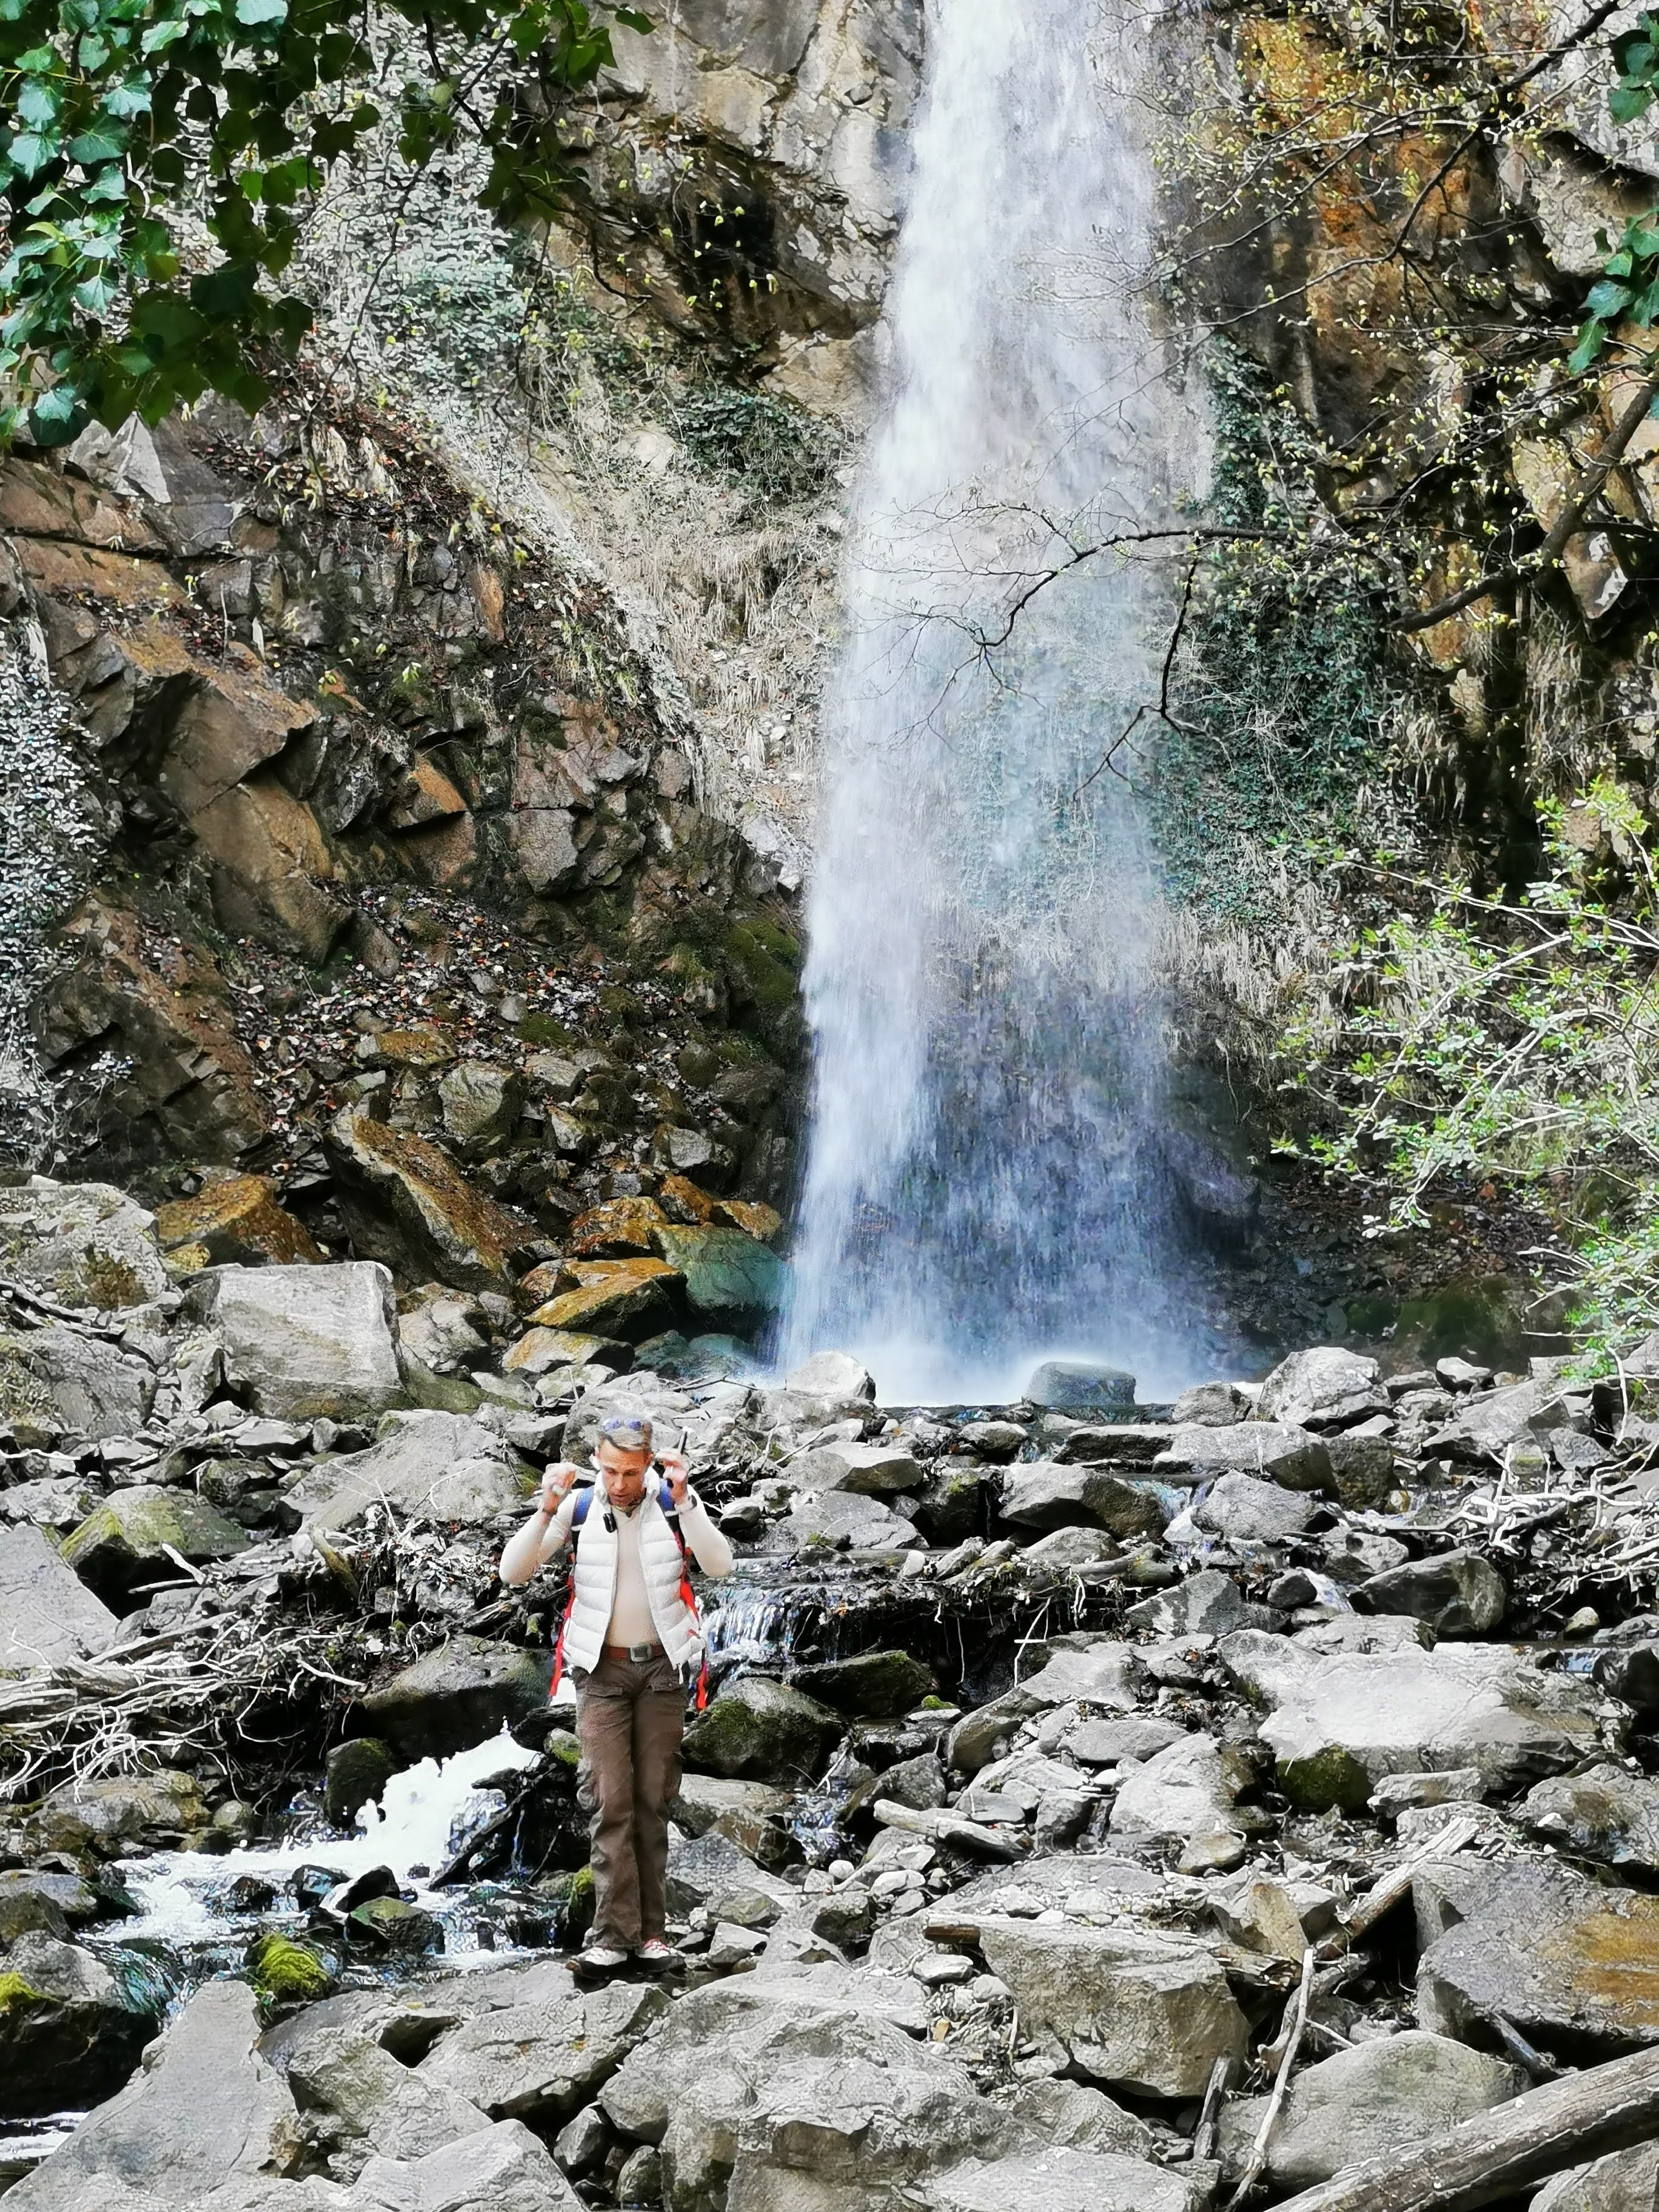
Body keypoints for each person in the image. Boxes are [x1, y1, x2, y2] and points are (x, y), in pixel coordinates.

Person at [498, 1412, 733, 1971]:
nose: (619, 1484)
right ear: (597, 1464)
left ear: (648, 1463)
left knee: (653, 1800)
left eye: (630, 1472)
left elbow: (721, 1566)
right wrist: (546, 1508)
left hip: (662, 1673)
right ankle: (611, 1938)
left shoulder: (672, 1503)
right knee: (609, 1800)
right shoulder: (580, 1507)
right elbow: (513, 1572)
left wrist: (687, 1499)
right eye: (609, 1471)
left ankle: (652, 1937)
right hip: (600, 1674)